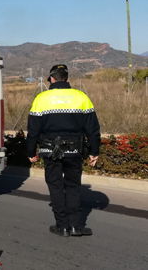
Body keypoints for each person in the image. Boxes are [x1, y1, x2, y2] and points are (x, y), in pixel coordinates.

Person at [27, 64, 101, 237]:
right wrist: (94, 151)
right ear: (67, 79)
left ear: (51, 79)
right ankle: (76, 226)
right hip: (74, 150)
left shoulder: (41, 98)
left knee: (55, 186)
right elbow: (93, 128)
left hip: (49, 149)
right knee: (74, 186)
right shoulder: (81, 97)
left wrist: (31, 152)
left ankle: (62, 226)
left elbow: (33, 130)